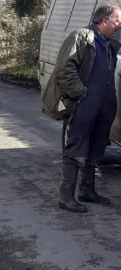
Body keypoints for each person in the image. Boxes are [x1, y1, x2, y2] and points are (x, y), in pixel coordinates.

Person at [49, 5, 121, 213]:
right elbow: (64, 70)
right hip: (84, 106)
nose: (119, 25)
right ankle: (66, 197)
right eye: (117, 20)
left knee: (95, 149)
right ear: (104, 20)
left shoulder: (109, 43)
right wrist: (82, 94)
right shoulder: (82, 37)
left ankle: (87, 191)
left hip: (103, 109)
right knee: (76, 150)